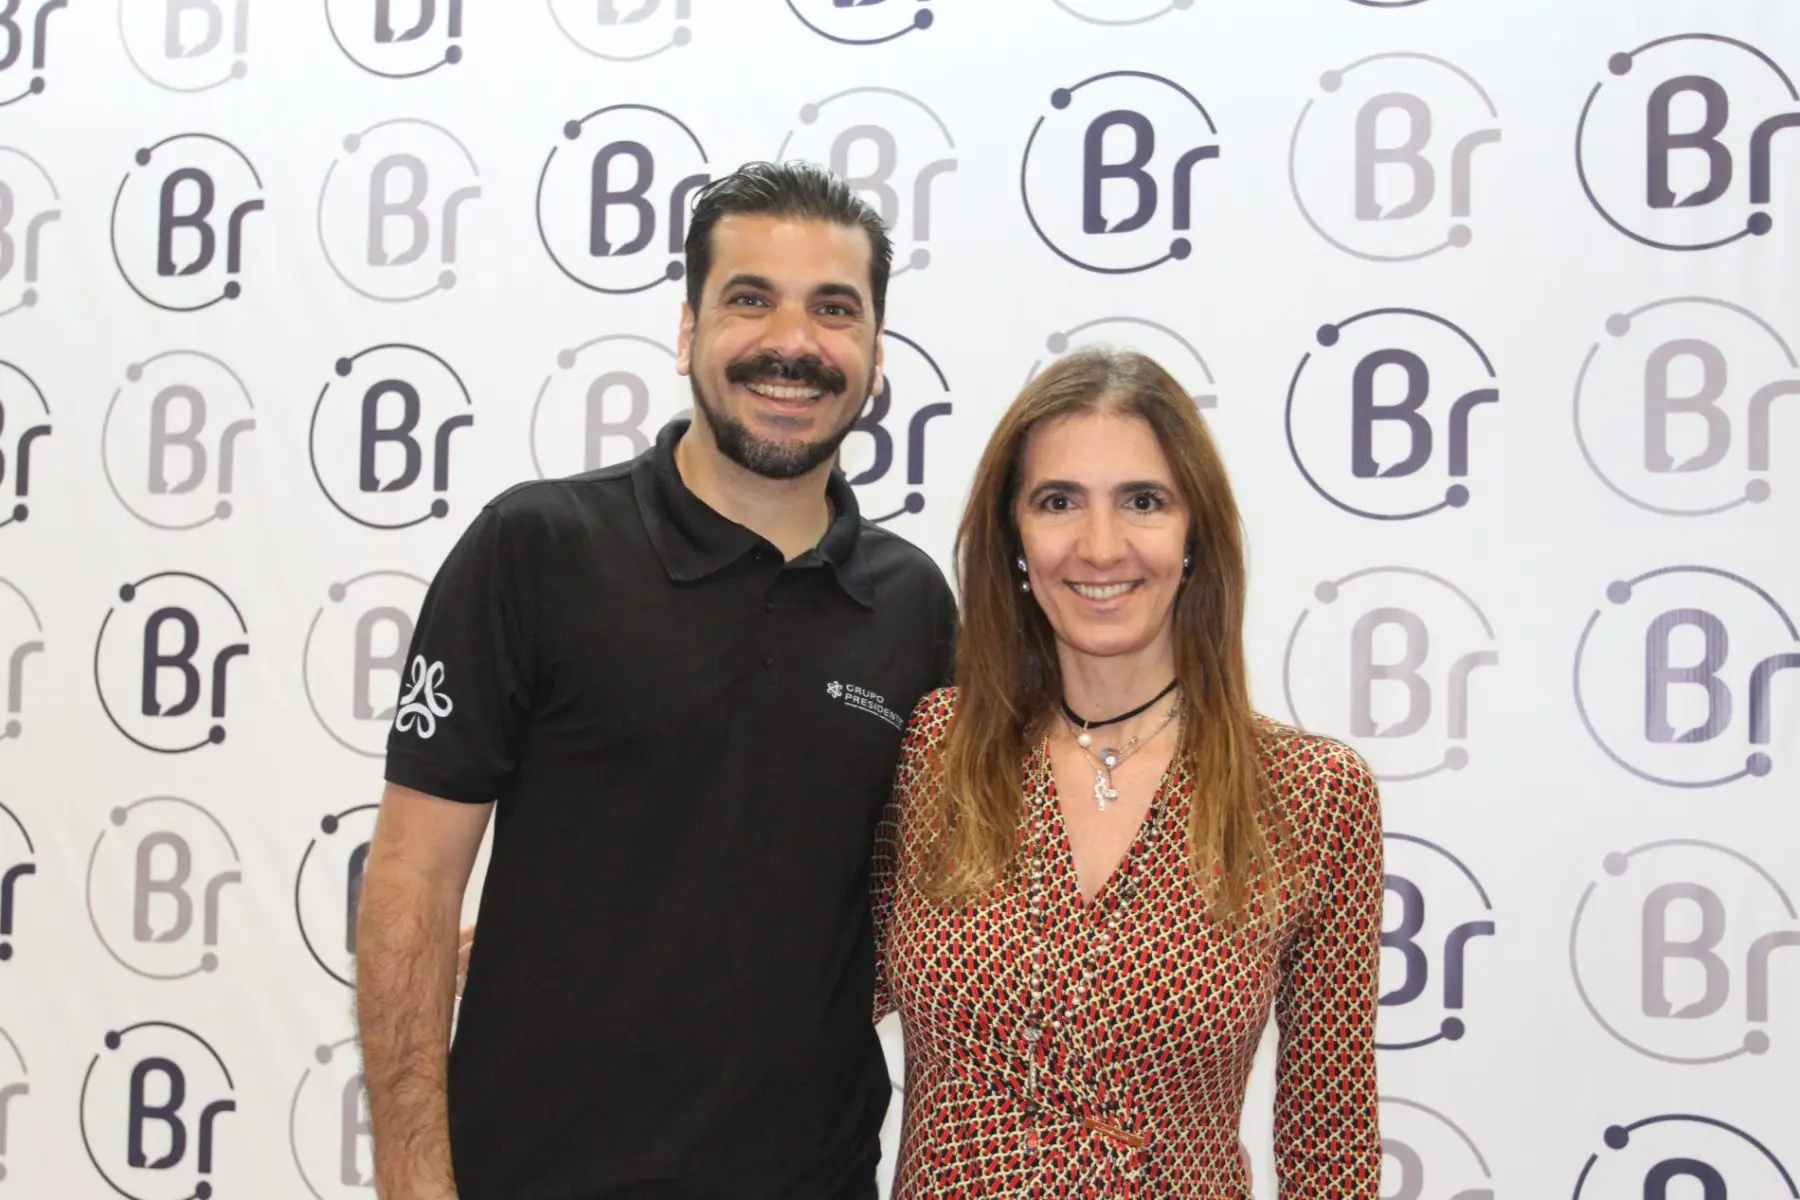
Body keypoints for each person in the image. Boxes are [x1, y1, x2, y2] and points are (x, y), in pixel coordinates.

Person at [355, 160, 958, 1200]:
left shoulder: (914, 608)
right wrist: (414, 1184)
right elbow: (411, 881)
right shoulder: (534, 548)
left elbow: (927, 915)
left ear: (874, 353)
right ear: (688, 332)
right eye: (750, 299)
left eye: (833, 309)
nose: (793, 344)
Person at [868, 346, 1384, 1197]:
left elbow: (1330, 1148)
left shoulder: (1309, 796)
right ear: (1016, 542)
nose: (1100, 547)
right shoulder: (937, 752)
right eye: (1059, 501)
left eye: (1143, 502)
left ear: (1194, 538)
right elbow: (813, 1010)